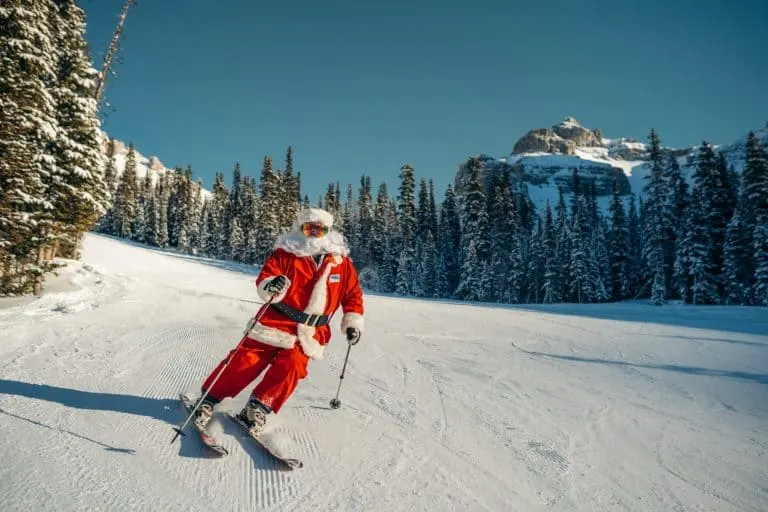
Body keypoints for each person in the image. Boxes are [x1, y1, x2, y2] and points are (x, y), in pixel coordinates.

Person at [192, 207, 365, 438]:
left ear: (327, 230)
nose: (313, 234)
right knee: (245, 361)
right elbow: (266, 277)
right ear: (300, 229)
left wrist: (352, 321)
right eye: (308, 228)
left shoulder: (341, 263)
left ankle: (257, 407)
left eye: (319, 229)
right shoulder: (285, 254)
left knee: (293, 365)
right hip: (276, 319)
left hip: (310, 330)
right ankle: (208, 399)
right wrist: (271, 285)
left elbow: (352, 294)